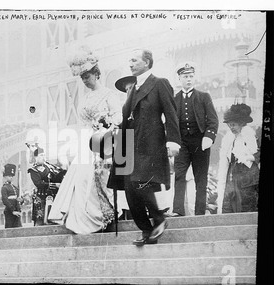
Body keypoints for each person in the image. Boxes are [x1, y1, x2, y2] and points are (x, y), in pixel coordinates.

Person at [48, 46, 127, 234]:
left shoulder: (109, 95)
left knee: (101, 177)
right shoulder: (84, 100)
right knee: (82, 180)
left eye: (87, 76)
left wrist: (106, 124)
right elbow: (82, 124)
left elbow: (118, 116)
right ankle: (84, 217)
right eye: (82, 77)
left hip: (105, 142)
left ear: (96, 74)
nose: (85, 80)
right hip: (87, 143)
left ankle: (106, 216)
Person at [111, 48, 181, 246]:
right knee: (129, 189)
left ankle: (159, 219)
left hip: (150, 143)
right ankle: (147, 230)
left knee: (140, 183)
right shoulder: (132, 88)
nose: (130, 64)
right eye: (129, 60)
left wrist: (173, 140)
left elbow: (171, 113)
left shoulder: (160, 83)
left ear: (147, 63)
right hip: (128, 144)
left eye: (134, 60)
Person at [170, 62, 219, 217]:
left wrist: (209, 137)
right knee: (179, 175)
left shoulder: (204, 97)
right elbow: (170, 123)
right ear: (179, 78)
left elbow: (213, 120)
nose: (188, 79)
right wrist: (171, 141)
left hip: (200, 142)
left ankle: (199, 212)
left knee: (201, 178)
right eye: (185, 77)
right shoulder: (174, 99)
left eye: (191, 76)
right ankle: (177, 210)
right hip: (182, 143)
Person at [216, 103, 259, 214]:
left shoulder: (250, 136)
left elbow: (257, 154)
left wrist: (248, 157)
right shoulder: (229, 139)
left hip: (248, 178)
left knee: (247, 206)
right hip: (232, 178)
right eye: (230, 125)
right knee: (227, 205)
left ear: (241, 124)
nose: (231, 128)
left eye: (234, 125)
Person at [28, 147, 64, 226]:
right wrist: (55, 185)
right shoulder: (33, 170)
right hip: (41, 198)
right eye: (41, 155)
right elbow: (39, 183)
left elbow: (55, 177)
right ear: (36, 157)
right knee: (40, 220)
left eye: (44, 155)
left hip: (51, 196)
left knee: (52, 220)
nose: (43, 157)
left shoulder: (49, 167)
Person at [1, 164, 23, 228]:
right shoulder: (4, 188)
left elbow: (20, 198)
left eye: (12, 176)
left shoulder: (16, 188)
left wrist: (21, 200)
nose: (11, 177)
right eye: (9, 176)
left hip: (17, 212)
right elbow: (5, 200)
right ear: (5, 177)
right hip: (9, 212)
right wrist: (13, 210)